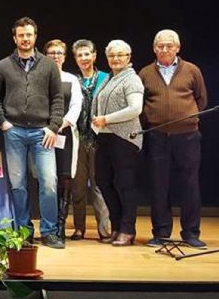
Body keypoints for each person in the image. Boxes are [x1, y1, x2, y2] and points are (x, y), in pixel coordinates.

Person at [0, 17, 64, 249]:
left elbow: (57, 98)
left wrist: (53, 127)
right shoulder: (3, 65)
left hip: (43, 133)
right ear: (15, 38)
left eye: (29, 34)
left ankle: (50, 231)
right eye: (21, 35)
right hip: (14, 132)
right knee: (18, 185)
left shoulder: (49, 65)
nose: (25, 38)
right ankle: (23, 231)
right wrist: (3, 122)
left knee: (49, 183)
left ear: (35, 36)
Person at [140, 29, 208, 249]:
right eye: (160, 46)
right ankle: (161, 232)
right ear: (154, 48)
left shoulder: (192, 70)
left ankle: (191, 233)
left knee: (189, 184)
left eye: (169, 45)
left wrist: (184, 119)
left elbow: (201, 99)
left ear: (178, 48)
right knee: (159, 186)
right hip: (157, 137)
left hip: (187, 137)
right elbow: (141, 104)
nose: (164, 49)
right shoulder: (145, 73)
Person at [91, 40, 144, 246]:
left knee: (125, 185)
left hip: (125, 138)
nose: (116, 59)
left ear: (129, 57)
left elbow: (135, 108)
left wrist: (107, 119)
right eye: (112, 55)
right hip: (105, 138)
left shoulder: (132, 79)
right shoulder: (109, 79)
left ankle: (128, 229)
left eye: (120, 55)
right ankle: (116, 226)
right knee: (103, 181)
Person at [70, 39, 111, 240]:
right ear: (75, 59)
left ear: (94, 55)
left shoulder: (106, 78)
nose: (84, 58)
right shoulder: (72, 80)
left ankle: (104, 229)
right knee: (77, 187)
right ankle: (79, 228)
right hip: (77, 139)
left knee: (99, 185)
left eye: (87, 54)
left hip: (99, 140)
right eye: (79, 55)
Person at [43, 40, 82, 243]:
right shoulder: (40, 78)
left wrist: (60, 125)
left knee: (65, 178)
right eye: (51, 53)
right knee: (47, 180)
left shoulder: (71, 79)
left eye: (59, 53)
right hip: (43, 135)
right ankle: (47, 225)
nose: (55, 56)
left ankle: (60, 226)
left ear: (65, 57)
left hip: (64, 135)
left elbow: (76, 105)